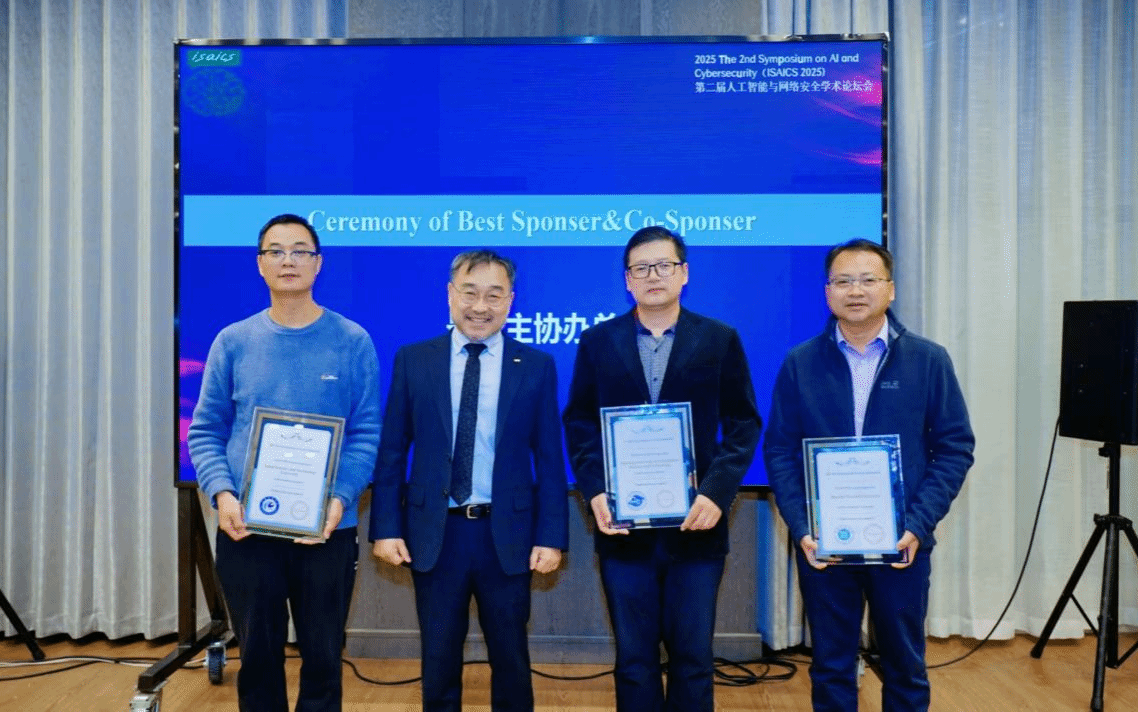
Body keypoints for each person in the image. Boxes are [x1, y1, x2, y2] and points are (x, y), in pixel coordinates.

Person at [762, 238, 975, 711]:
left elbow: (955, 448)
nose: (855, 291)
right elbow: (779, 450)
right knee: (831, 666)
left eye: (867, 280)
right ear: (827, 292)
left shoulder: (928, 360)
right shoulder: (800, 362)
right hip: (825, 544)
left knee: (904, 665)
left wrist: (917, 524)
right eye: (843, 281)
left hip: (902, 543)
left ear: (890, 289)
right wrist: (802, 528)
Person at [562, 226, 762, 712]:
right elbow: (580, 422)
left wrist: (716, 491)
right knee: (634, 660)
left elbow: (743, 423)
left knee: (693, 659)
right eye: (641, 268)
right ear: (627, 280)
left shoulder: (718, 339)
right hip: (624, 530)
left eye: (664, 265)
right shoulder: (597, 342)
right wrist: (595, 490)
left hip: (697, 528)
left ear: (684, 273)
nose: (653, 276)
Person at [187, 213, 382, 712]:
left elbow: (366, 434)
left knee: (323, 657)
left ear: (318, 264)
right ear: (260, 265)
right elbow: (205, 431)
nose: (288, 260)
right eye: (275, 251)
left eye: (300, 251)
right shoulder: (233, 341)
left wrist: (339, 499)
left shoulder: (352, 341)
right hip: (246, 529)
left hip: (327, 529)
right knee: (256, 658)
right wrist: (222, 494)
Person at [369, 249, 568, 712]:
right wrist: (386, 528)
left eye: (494, 295)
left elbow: (550, 460)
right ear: (450, 294)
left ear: (511, 301)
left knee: (511, 659)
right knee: (438, 659)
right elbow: (393, 451)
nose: (481, 306)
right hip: (435, 532)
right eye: (470, 293)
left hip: (508, 534)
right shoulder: (415, 360)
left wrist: (551, 536)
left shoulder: (536, 365)